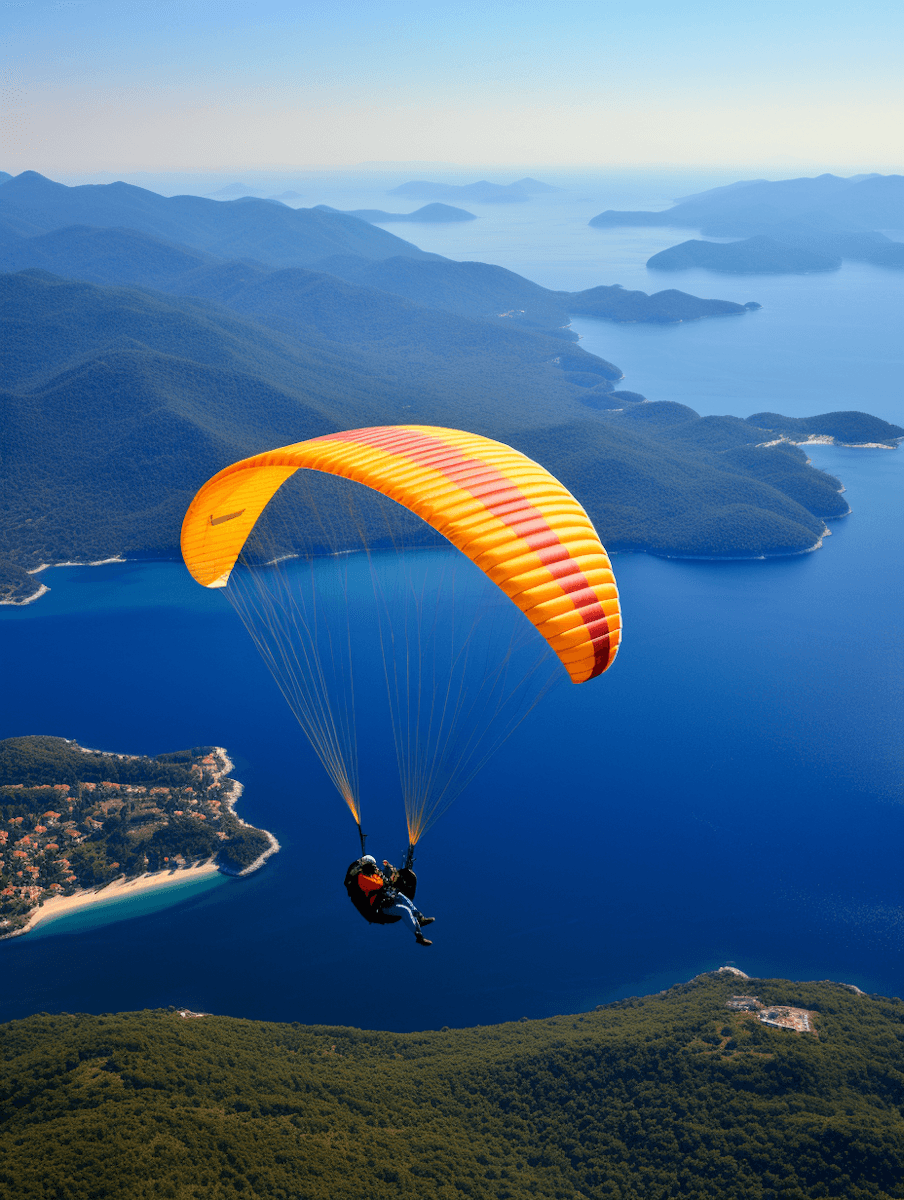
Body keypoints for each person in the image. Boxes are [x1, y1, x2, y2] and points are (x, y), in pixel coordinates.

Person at [355, 855, 435, 946]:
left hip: (388, 900)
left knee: (401, 896)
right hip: (380, 906)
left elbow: (386, 880)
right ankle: (419, 936)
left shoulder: (374, 876)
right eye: (373, 867)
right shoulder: (362, 878)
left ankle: (420, 918)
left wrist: (387, 868)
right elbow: (378, 884)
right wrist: (380, 876)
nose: (375, 868)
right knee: (404, 910)